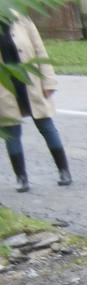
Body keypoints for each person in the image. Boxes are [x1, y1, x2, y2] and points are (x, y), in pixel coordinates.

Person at [0, 13, 71, 192]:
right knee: (12, 132)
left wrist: (48, 81)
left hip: (31, 84)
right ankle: (21, 178)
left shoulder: (22, 20)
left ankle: (64, 171)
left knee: (46, 126)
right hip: (6, 88)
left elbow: (40, 51)